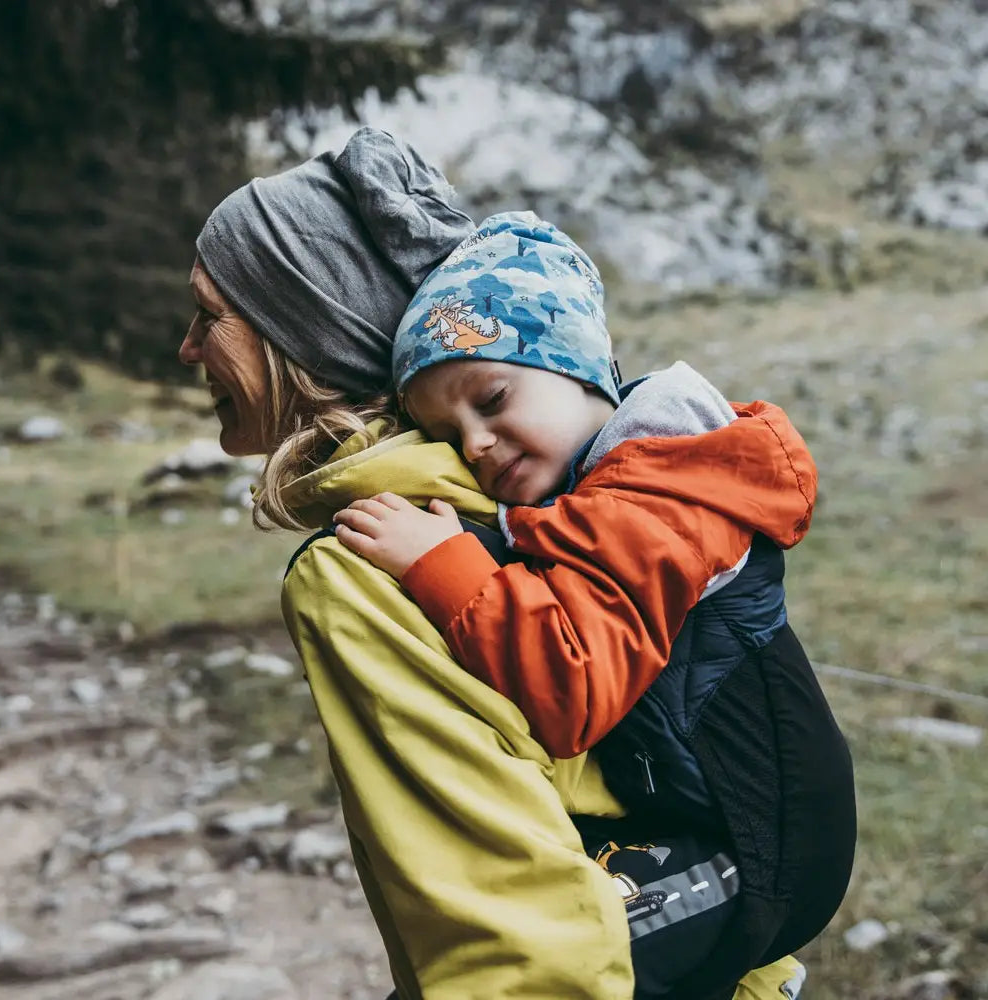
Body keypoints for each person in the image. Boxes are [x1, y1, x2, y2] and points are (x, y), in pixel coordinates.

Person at [180, 126, 809, 999]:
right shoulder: (531, 500)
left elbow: (515, 934)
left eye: (211, 315)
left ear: (302, 328)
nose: (188, 348)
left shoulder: (370, 556)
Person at [332, 212, 856, 997]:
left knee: (546, 970)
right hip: (688, 826)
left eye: (493, 398)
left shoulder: (658, 495)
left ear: (583, 369)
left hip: (759, 852)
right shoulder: (609, 487)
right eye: (447, 432)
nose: (475, 444)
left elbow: (573, 683)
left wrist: (441, 565)